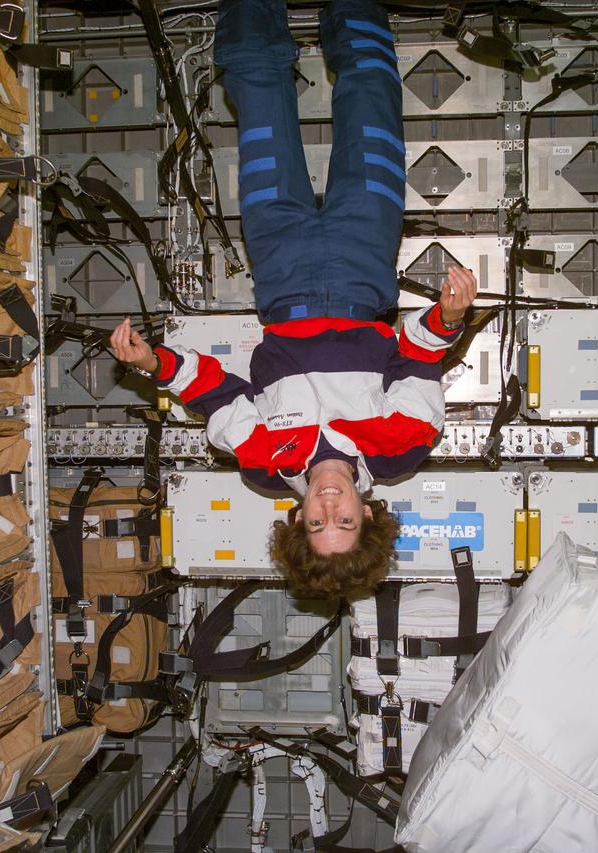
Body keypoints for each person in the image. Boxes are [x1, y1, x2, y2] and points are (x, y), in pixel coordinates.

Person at [110, 0, 475, 599]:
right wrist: (448, 317)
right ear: (371, 517)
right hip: (363, 264)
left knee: (258, 94)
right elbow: (415, 358)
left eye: (316, 523)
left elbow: (217, 393)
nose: (329, 506)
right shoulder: (403, 446)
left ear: (296, 522)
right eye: (346, 522)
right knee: (370, 100)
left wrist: (155, 366)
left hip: (280, 269)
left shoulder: (263, 462)